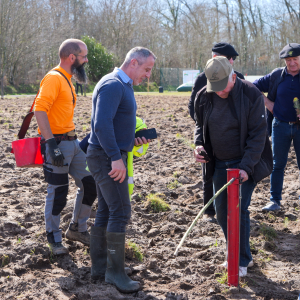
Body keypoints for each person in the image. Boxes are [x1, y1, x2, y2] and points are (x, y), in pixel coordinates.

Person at [86, 47, 156, 293]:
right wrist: (116, 157)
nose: (148, 75)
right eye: (146, 69)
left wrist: (131, 139)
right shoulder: (114, 84)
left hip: (107, 154)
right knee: (121, 211)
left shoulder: (122, 85)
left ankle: (100, 268)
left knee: (106, 209)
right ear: (133, 62)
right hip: (106, 157)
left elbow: (112, 123)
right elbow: (101, 124)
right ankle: (115, 273)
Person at [193, 56, 270, 277]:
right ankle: (237, 251)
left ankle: (240, 260)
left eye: (222, 86)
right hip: (218, 162)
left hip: (245, 162)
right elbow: (200, 125)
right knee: (221, 212)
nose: (218, 91)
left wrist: (246, 167)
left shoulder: (251, 94)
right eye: (214, 86)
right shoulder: (204, 96)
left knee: (239, 210)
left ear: (233, 77)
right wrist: (199, 145)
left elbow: (258, 135)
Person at [34, 39, 97, 255]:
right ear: (72, 58)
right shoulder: (54, 78)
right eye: (84, 56)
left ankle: (77, 229)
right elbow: (39, 110)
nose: (86, 60)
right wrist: (51, 144)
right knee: (58, 192)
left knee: (90, 183)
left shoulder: (67, 79)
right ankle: (54, 237)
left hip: (73, 143)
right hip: (57, 144)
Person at [188, 42, 244, 222]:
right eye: (229, 59)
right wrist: (204, 127)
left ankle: (234, 208)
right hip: (210, 135)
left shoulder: (238, 78)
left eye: (232, 59)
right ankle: (209, 210)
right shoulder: (202, 79)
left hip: (233, 138)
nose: (232, 62)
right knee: (209, 172)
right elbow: (194, 108)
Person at [253, 43, 300, 211]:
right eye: (288, 60)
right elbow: (253, 87)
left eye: (295, 59)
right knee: (277, 164)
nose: (292, 63)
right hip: (279, 125)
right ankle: (274, 200)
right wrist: (269, 104)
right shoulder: (276, 75)